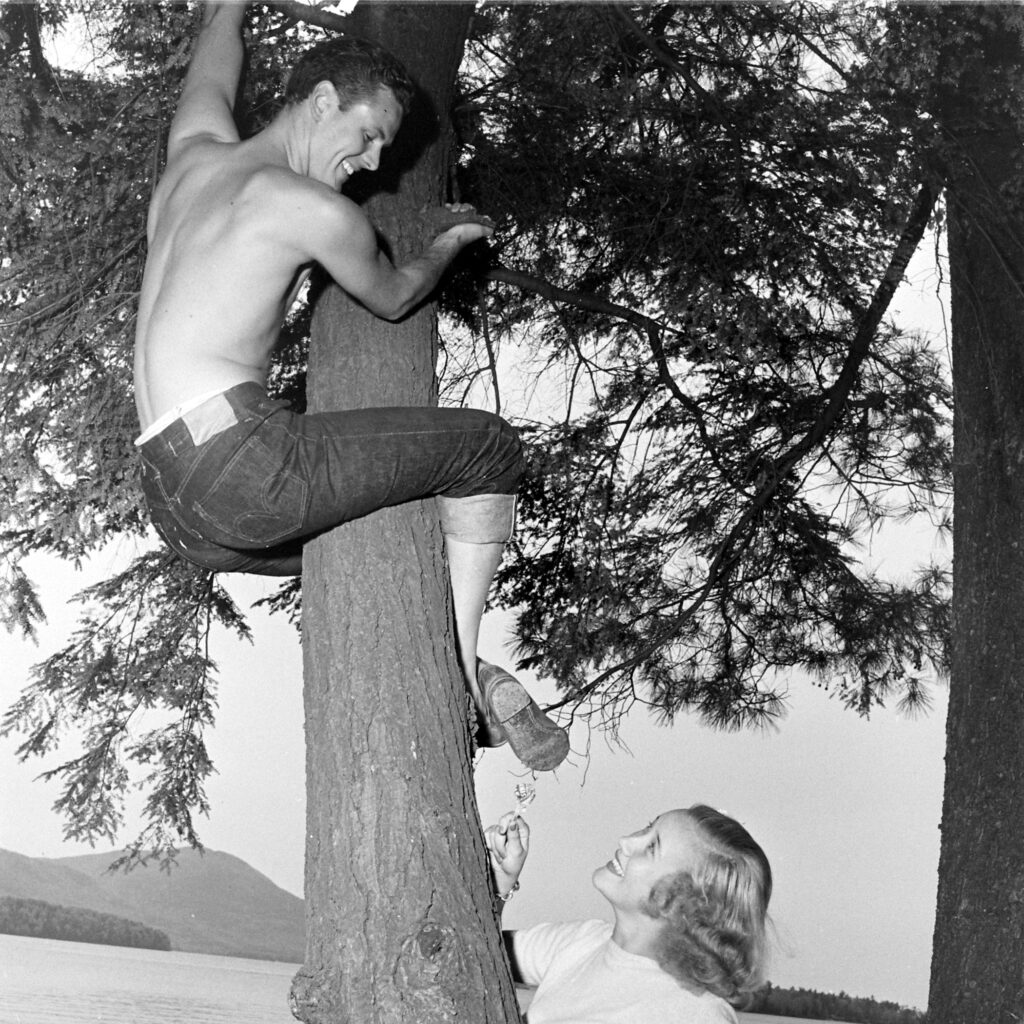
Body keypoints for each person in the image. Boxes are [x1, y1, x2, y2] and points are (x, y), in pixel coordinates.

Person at [132, 2, 568, 771]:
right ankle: (467, 675)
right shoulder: (311, 207)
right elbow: (396, 295)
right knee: (488, 449)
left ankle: (464, 655)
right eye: (367, 134)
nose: (370, 162)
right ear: (322, 99)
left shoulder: (192, 156)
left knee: (392, 532)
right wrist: (449, 243)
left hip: (176, 504)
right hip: (242, 467)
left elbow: (213, 56)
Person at [484, 805, 772, 1023]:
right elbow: (477, 953)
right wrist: (499, 884)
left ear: (687, 903)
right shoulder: (582, 940)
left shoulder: (698, 1014)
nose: (625, 841)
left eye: (651, 847)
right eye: (646, 828)